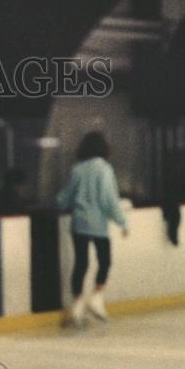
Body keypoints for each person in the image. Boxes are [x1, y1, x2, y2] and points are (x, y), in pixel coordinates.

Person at [54, 132, 129, 326]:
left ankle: (78, 304)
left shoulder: (77, 169)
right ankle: (96, 297)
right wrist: (122, 221)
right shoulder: (104, 169)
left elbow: (66, 196)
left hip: (79, 223)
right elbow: (108, 199)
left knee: (81, 263)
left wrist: (55, 205)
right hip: (98, 224)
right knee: (104, 261)